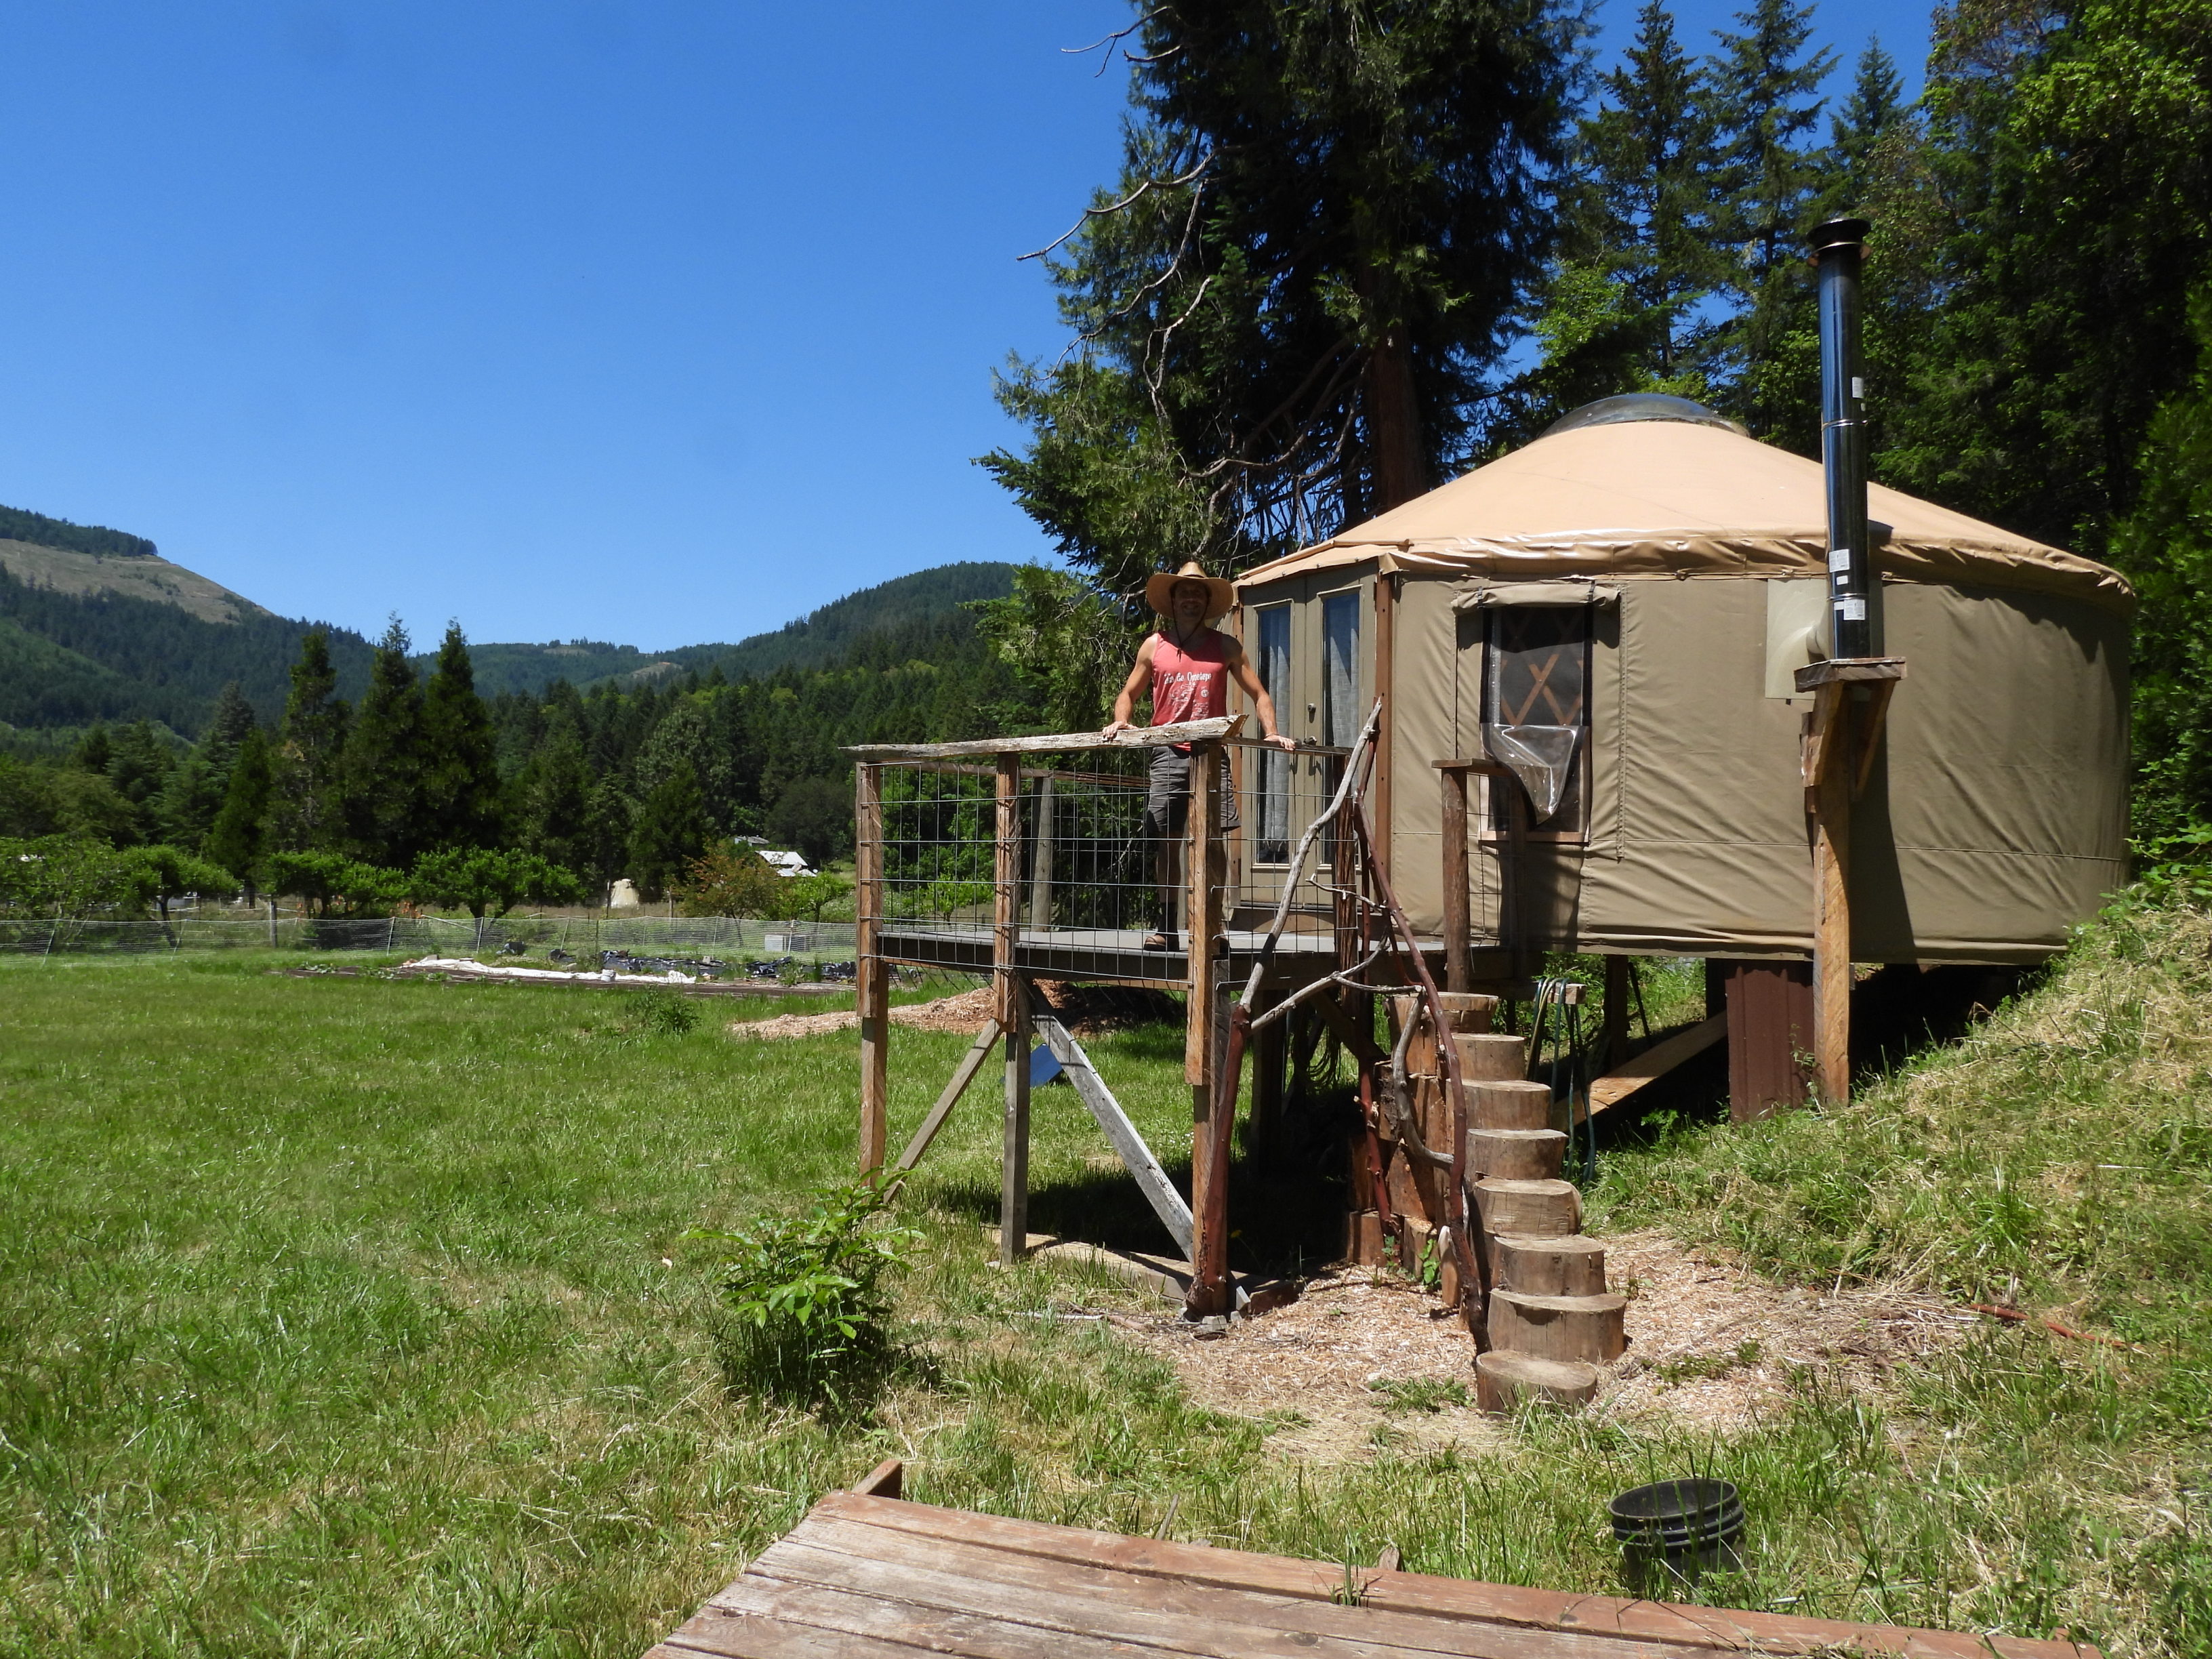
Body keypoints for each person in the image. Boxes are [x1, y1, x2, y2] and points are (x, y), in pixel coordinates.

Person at [1102, 560, 1297, 951]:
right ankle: (1167, 929)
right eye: (1184, 592)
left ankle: (1213, 929)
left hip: (1211, 753)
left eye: (1198, 592)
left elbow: (1259, 693)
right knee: (1167, 841)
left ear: (1207, 602)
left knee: (1213, 841)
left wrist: (1272, 733)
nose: (1190, 598)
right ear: (1172, 600)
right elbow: (1128, 693)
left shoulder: (1225, 646)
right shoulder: (1154, 645)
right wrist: (1122, 721)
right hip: (1167, 749)